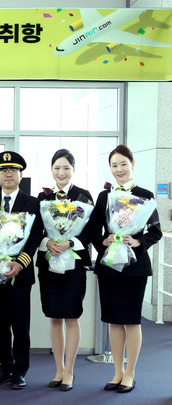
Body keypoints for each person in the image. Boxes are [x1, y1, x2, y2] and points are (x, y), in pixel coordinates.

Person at [84, 144, 161, 393]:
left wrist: (138, 242)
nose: (119, 169)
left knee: (131, 320)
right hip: (110, 266)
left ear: (132, 165)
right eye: (114, 165)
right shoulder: (104, 197)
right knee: (114, 320)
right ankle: (117, 372)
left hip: (135, 267)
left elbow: (155, 231)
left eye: (123, 164)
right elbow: (92, 230)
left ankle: (130, 373)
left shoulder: (145, 195)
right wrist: (103, 241)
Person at [0, 151, 42, 390]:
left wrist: (20, 263)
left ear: (20, 175)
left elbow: (35, 238)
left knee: (20, 323)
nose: (8, 174)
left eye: (13, 170)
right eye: (3, 170)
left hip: (20, 273)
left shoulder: (32, 203)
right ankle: (4, 366)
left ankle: (20, 370)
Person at [36, 149, 93, 392]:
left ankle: (69, 370)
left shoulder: (83, 196)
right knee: (54, 316)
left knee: (71, 316)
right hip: (49, 262)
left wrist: (70, 242)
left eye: (66, 168)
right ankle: (58, 369)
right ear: (51, 170)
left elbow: (92, 230)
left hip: (74, 264)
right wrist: (47, 242)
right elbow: (35, 229)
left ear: (73, 170)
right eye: (57, 168)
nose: (61, 172)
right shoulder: (43, 196)